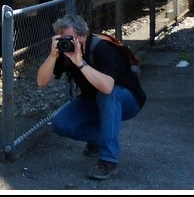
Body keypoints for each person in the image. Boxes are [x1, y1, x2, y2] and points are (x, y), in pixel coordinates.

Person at [35, 13, 146, 181]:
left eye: (70, 38)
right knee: (61, 124)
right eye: (61, 38)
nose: (66, 42)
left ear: (83, 36)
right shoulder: (64, 52)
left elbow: (108, 87)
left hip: (128, 99)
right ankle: (100, 139)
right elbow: (41, 82)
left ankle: (108, 160)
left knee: (106, 95)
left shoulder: (102, 48)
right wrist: (53, 55)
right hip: (93, 99)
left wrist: (80, 62)